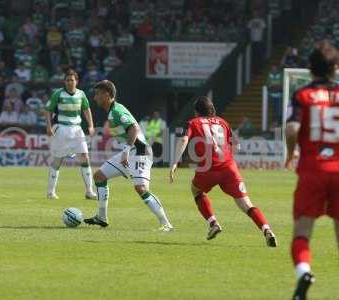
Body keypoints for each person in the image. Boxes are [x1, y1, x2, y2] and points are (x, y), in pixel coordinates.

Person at [169, 96, 277, 246]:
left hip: (207, 169)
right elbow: (236, 146)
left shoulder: (193, 122)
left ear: (197, 111)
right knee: (246, 204)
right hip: (228, 169)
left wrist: (175, 162)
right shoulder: (222, 122)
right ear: (211, 109)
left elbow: (183, 140)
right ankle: (267, 230)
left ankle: (213, 223)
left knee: (196, 190)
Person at [285, 41, 339, 300]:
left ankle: (304, 271)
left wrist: (290, 152)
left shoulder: (302, 95)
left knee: (302, 233)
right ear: (335, 68)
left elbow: (292, 129)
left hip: (313, 169)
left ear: (310, 69)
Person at [84, 80, 173, 231]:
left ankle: (166, 223)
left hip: (140, 152)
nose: (95, 98)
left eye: (97, 94)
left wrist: (125, 151)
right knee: (99, 176)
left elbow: (134, 128)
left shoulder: (117, 111)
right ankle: (102, 217)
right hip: (129, 152)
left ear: (107, 95)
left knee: (141, 188)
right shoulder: (112, 112)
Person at [45, 69, 96, 200]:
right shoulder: (58, 94)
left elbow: (86, 109)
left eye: (72, 80)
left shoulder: (81, 94)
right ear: (64, 81)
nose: (69, 82)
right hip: (62, 129)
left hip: (77, 130)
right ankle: (51, 192)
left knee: (85, 158)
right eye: (67, 80)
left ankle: (89, 191)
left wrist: (90, 125)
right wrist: (49, 126)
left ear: (76, 81)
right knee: (58, 160)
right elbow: (48, 110)